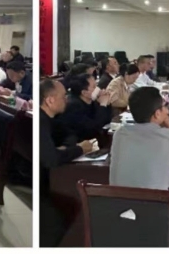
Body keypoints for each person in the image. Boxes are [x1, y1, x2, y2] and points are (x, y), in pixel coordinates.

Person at [110, 87, 169, 246]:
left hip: (122, 216)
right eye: (164, 107)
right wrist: (168, 123)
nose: (167, 110)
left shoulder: (119, 134)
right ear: (157, 114)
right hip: (157, 219)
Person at [40, 79, 94, 247]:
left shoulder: (53, 118)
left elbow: (69, 134)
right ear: (50, 100)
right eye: (63, 96)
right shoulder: (40, 121)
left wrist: (67, 148)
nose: (67, 100)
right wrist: (80, 149)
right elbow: (51, 158)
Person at [52, 74, 113, 145]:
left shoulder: (92, 101)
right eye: (94, 86)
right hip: (75, 144)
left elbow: (106, 120)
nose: (98, 89)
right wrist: (103, 105)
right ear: (84, 92)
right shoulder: (73, 106)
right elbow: (92, 128)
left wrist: (107, 103)